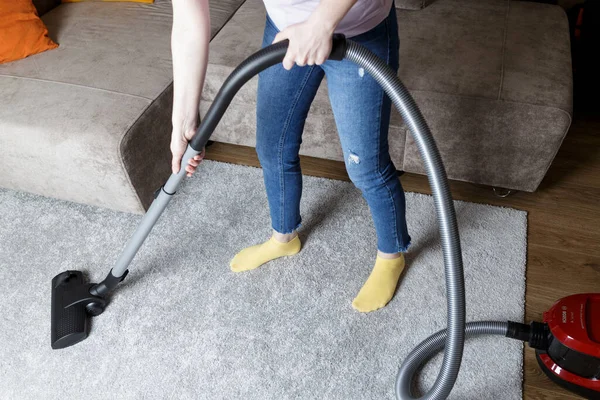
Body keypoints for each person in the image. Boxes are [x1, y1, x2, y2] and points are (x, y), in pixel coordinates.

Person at [170, 0, 411, 313]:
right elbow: (189, 21)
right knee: (272, 145)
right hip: (285, 28)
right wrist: (183, 120)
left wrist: (322, 24)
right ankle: (283, 238)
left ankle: (392, 255)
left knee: (365, 166)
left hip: (359, 30)